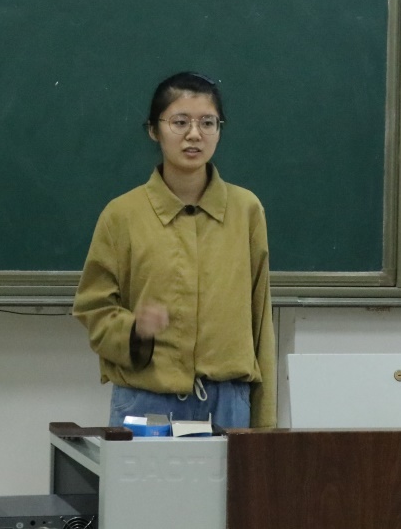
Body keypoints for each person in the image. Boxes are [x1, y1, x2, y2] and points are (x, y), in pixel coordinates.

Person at [73, 72, 276, 429]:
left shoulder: (246, 210)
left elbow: (261, 320)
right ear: (154, 130)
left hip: (228, 402)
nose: (194, 134)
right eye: (180, 122)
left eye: (207, 123)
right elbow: (93, 309)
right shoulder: (122, 215)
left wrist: (264, 426)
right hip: (148, 400)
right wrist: (135, 330)